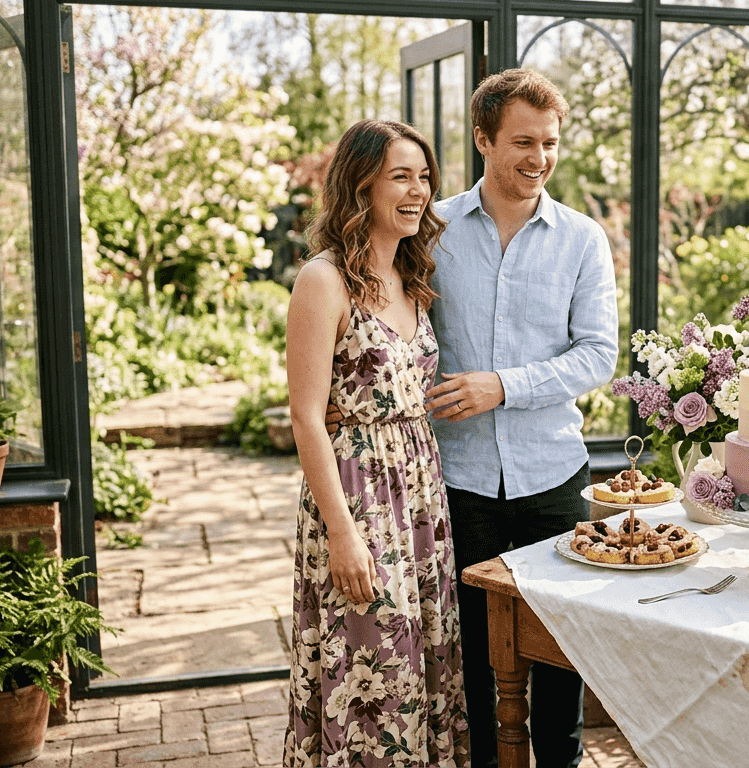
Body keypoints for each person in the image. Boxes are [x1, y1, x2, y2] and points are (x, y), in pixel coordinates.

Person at [423, 69, 619, 768]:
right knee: (473, 659)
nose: (539, 158)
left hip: (552, 479)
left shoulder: (582, 239)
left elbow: (599, 354)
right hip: (459, 482)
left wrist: (502, 386)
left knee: (559, 657)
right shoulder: (432, 230)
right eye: (523, 142)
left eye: (550, 143)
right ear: (483, 139)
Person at [283, 119, 469, 768]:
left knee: (422, 670)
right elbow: (307, 416)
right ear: (360, 184)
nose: (418, 191)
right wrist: (342, 532)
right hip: (358, 501)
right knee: (369, 676)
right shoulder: (323, 280)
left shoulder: (411, 280)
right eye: (400, 176)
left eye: (424, 177)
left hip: (420, 502)